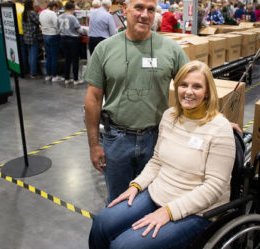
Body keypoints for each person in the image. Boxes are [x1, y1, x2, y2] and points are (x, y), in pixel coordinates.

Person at [89, 60, 236, 249]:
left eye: (197, 86)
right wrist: (136, 185)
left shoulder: (219, 129)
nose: (189, 91)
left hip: (198, 211)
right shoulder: (169, 116)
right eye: (184, 85)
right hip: (158, 193)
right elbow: (157, 160)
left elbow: (214, 187)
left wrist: (169, 211)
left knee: (123, 246)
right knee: (102, 223)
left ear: (207, 92)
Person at [83, 0, 189, 204]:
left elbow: (194, 89)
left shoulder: (171, 50)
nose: (144, 15)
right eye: (138, 7)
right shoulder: (105, 49)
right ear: (125, 9)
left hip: (157, 140)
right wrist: (94, 144)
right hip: (117, 139)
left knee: (152, 201)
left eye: (151, 9)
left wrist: (218, 122)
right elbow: (93, 99)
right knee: (118, 202)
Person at [57, 1, 84, 85]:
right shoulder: (72, 17)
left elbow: (57, 28)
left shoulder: (59, 17)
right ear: (72, 9)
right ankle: (76, 79)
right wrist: (83, 31)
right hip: (72, 40)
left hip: (63, 39)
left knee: (67, 59)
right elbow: (78, 29)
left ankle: (67, 78)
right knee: (75, 59)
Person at [39, 1, 63, 82]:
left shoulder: (42, 12)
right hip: (53, 35)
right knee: (54, 57)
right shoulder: (52, 14)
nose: (56, 11)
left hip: (45, 35)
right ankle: (54, 76)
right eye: (56, 9)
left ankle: (48, 75)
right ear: (54, 7)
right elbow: (57, 25)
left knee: (48, 56)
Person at [22, 0, 42, 78]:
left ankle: (31, 70)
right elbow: (38, 21)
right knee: (33, 55)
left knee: (30, 54)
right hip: (33, 37)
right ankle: (33, 72)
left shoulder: (24, 13)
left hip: (27, 36)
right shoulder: (32, 13)